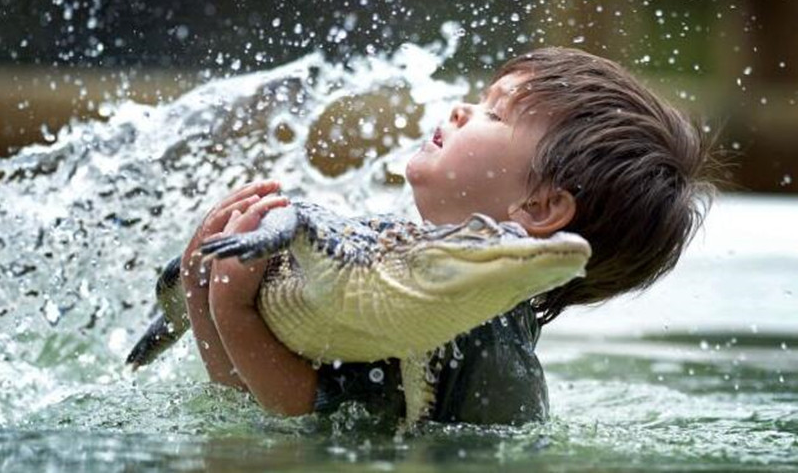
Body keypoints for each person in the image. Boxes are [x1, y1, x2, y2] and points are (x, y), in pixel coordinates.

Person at [179, 47, 715, 425]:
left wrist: (229, 306)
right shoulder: (413, 271)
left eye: (495, 113)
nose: (461, 110)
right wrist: (199, 285)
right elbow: (250, 401)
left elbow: (312, 421)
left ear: (540, 207)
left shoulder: (470, 325)